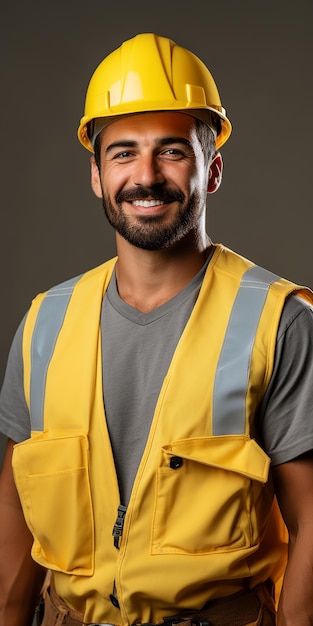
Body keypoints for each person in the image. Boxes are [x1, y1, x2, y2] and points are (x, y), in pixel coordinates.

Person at [0, 32, 313, 626]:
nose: (146, 175)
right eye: (122, 153)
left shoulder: (281, 323)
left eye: (172, 151)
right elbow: (14, 508)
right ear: (97, 175)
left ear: (212, 169)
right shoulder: (46, 322)